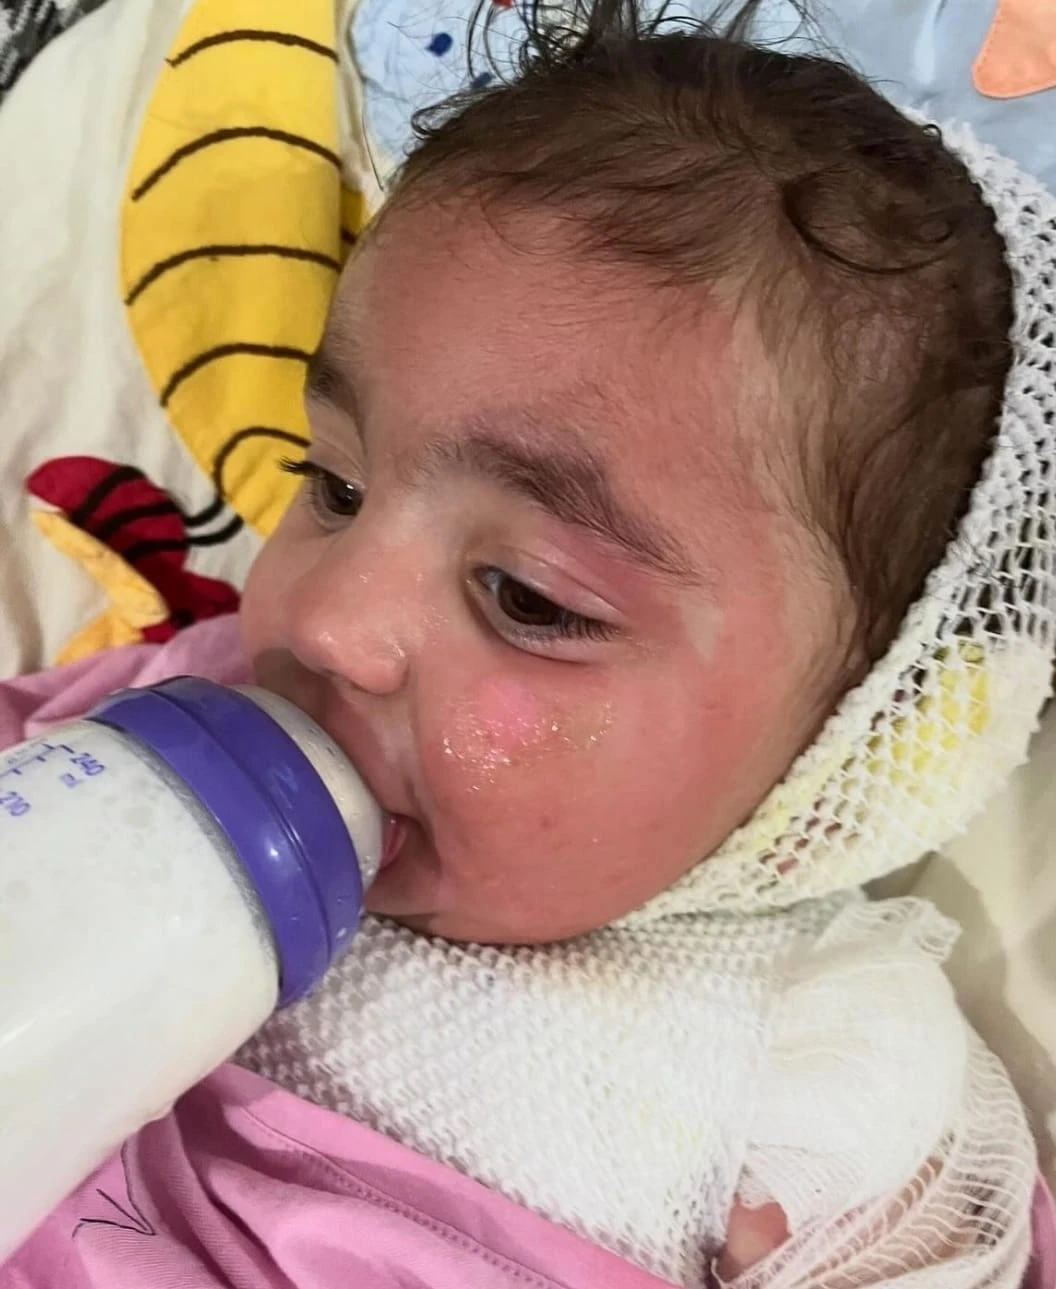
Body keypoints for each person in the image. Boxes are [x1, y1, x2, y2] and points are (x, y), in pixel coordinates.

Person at [4, 2, 1056, 1285]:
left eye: (528, 599)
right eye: (334, 484)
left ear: (844, 756)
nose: (329, 622)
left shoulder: (825, 1073)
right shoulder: (176, 712)